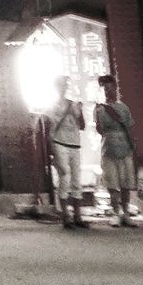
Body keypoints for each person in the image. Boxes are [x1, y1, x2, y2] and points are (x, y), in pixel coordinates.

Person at [94, 73, 136, 227]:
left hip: (124, 147)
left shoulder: (123, 108)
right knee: (112, 184)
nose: (107, 91)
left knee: (126, 183)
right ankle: (116, 213)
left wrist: (133, 146)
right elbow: (99, 130)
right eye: (105, 89)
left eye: (110, 88)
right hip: (108, 148)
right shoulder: (99, 109)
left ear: (115, 89)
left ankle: (126, 213)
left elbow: (130, 128)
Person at [47, 75, 88, 229]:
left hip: (74, 143)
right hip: (59, 142)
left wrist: (80, 112)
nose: (64, 88)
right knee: (65, 176)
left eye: (66, 85)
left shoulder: (73, 104)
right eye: (62, 85)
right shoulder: (53, 105)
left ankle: (78, 215)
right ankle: (66, 215)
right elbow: (52, 126)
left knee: (77, 179)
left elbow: (82, 126)